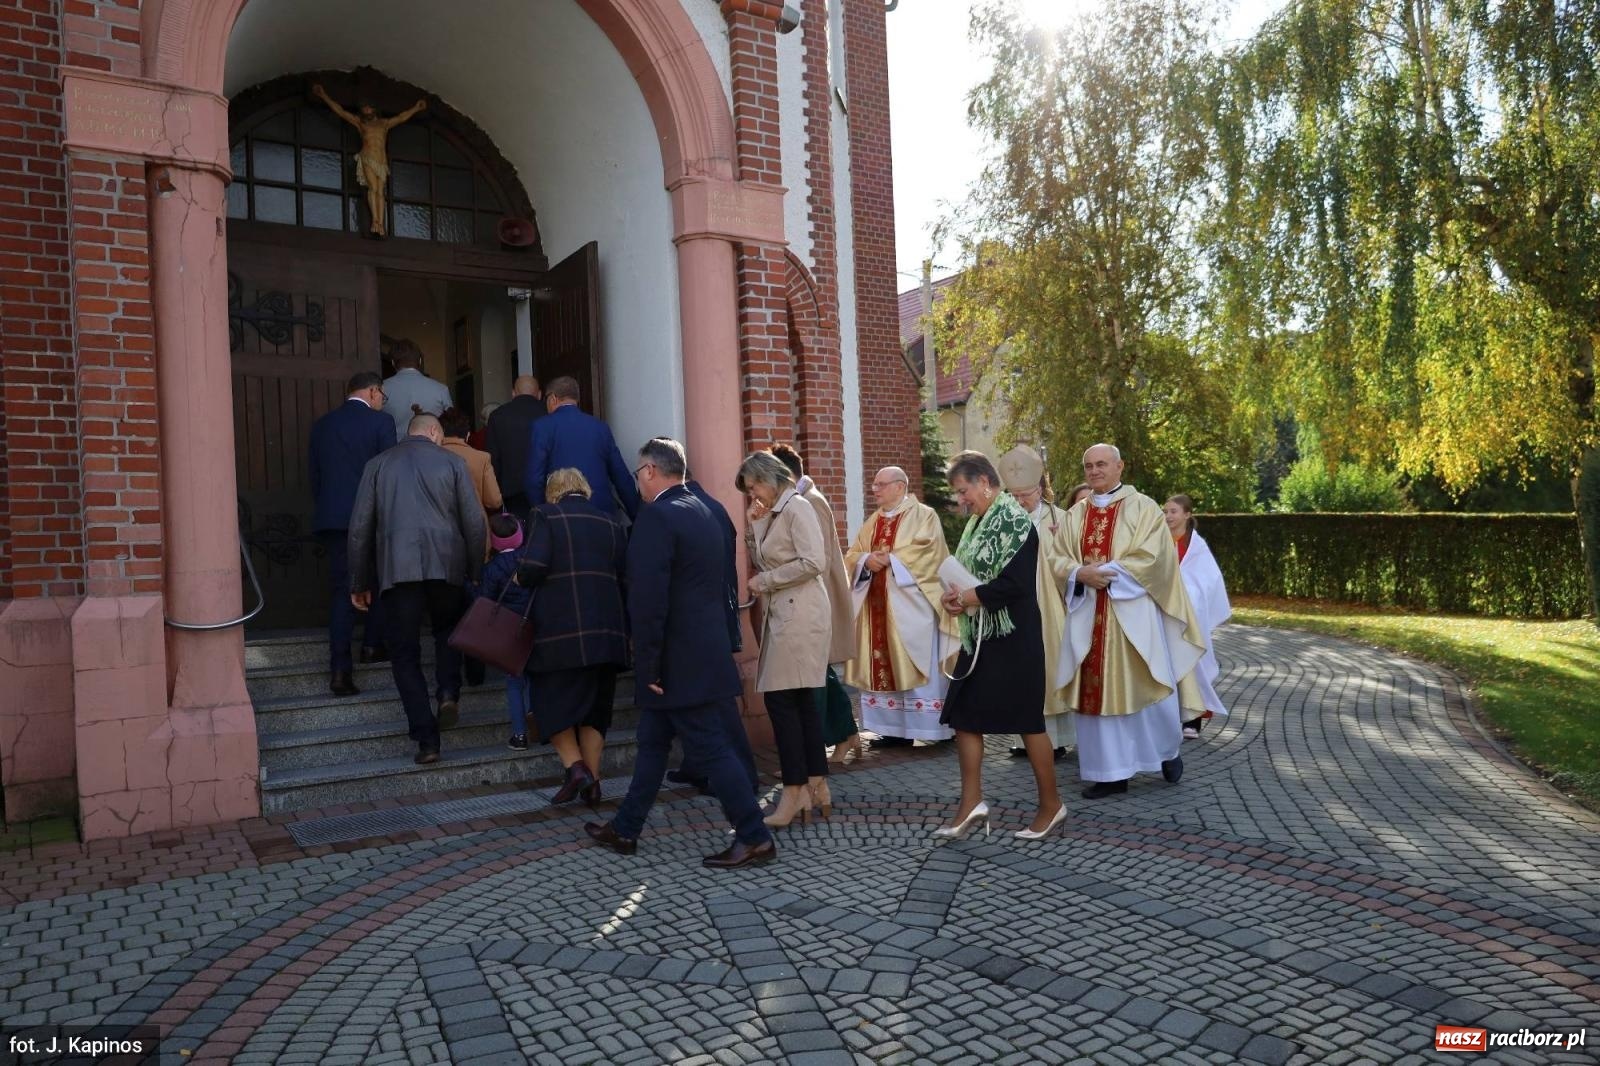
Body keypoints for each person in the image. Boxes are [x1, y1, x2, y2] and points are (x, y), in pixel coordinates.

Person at [585, 438, 776, 868]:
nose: (637, 482)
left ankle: (754, 836)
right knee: (652, 743)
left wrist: (647, 662)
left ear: (650, 471)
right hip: (703, 650)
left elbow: (648, 600)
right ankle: (626, 828)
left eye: (637, 474)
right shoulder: (709, 509)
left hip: (677, 661)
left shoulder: (658, 517)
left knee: (711, 748)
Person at [1056, 444, 1208, 798]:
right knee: (1097, 696)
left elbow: (1154, 558)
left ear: (1119, 466)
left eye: (1102, 464)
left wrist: (1102, 574)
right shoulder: (1074, 515)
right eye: (1089, 466)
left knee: (1145, 689)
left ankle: (1165, 752)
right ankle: (1110, 772)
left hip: (1132, 615)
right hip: (1087, 617)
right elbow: (1056, 557)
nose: (1094, 471)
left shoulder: (1144, 508)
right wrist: (1079, 573)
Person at [934, 452, 1065, 839]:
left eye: (963, 491)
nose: (961, 500)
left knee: (1028, 722)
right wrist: (953, 598)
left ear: (985, 483)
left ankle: (1052, 805)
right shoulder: (978, 523)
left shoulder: (1016, 523)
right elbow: (967, 575)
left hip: (1013, 639)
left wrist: (970, 597)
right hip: (981, 638)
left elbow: (1016, 586)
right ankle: (971, 803)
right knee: (963, 717)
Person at [348, 413, 487, 764]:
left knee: (404, 653)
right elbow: (474, 522)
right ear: (434, 432)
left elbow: (360, 527)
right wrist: (474, 570)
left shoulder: (377, 465)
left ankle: (427, 739)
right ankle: (447, 692)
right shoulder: (452, 462)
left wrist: (359, 581)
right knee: (448, 632)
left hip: (398, 569)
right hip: (448, 566)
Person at [516, 469, 629, 806]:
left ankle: (575, 767)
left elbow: (532, 567)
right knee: (596, 711)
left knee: (549, 703)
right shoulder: (611, 522)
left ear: (554, 492)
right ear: (585, 489)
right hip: (608, 631)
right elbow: (625, 576)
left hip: (560, 632)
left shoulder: (545, 514)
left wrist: (520, 575)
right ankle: (593, 783)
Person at [739, 451, 832, 828]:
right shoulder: (775, 512)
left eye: (754, 486)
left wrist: (766, 582)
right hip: (787, 614)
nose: (753, 495)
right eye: (748, 491)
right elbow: (765, 558)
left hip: (800, 614)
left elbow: (814, 561)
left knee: (782, 701)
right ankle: (816, 785)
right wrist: (753, 525)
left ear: (770, 477)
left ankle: (794, 791)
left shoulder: (797, 508)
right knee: (799, 701)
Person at [665, 454, 759, 795]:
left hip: (700, 622)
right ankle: (697, 765)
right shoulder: (713, 506)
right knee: (700, 701)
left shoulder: (686, 510)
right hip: (717, 616)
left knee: (718, 706)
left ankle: (742, 777)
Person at [843, 467, 956, 745]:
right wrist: (865, 560)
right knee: (884, 663)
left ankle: (933, 730)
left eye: (880, 484)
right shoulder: (872, 521)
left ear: (900, 486)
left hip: (912, 610)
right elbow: (853, 553)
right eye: (874, 484)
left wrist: (891, 560)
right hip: (877, 607)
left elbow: (929, 552)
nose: (875, 489)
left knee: (917, 663)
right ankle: (893, 731)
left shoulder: (924, 515)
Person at [770, 443, 862, 764]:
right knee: (822, 673)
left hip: (815, 602)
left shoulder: (810, 501)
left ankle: (825, 747)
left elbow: (815, 559)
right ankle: (847, 733)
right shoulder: (799, 500)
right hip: (807, 602)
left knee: (816, 677)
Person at [307, 371, 396, 696]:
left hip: (334, 519)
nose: (381, 401)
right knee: (379, 580)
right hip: (371, 518)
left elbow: (315, 478)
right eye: (382, 395)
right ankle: (370, 647)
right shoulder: (381, 423)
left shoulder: (323, 425)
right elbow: (388, 473)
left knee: (343, 592)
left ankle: (342, 668)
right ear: (373, 391)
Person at [998, 446, 1073, 761]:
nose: (1020, 502)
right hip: (1013, 607)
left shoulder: (1061, 519)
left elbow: (1072, 560)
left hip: (1049, 605)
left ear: (1040, 490)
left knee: (1049, 668)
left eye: (1025, 495)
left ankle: (1056, 741)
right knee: (1017, 671)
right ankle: (1021, 739)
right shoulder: (1002, 521)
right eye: (1014, 496)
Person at [524, 375, 640, 521]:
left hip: (560, 516)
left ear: (553, 398)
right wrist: (636, 515)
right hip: (602, 515)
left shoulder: (542, 427)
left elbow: (534, 479)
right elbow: (621, 476)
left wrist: (541, 512)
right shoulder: (600, 427)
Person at [1164, 494, 1232, 738]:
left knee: (1192, 663)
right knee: (1166, 665)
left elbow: (1209, 579)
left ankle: (1192, 719)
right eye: (1166, 511)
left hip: (1190, 614)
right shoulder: (1157, 540)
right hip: (1163, 612)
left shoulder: (1197, 546)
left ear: (1187, 514)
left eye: (1174, 511)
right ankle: (1169, 715)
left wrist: (1188, 593)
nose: (1169, 516)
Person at [476, 514, 534, 750]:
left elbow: (485, 600)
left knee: (514, 682)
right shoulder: (530, 560)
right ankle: (536, 718)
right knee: (533, 678)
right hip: (533, 623)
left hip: (509, 630)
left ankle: (519, 735)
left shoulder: (492, 568)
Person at [440, 407, 503, 550]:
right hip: (474, 530)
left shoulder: (430, 456)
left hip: (439, 531)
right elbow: (494, 501)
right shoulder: (481, 458)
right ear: (468, 435)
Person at [486, 375, 544, 521]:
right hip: (544, 490)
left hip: (510, 491)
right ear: (539, 394)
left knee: (516, 536)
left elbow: (493, 458)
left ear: (513, 393)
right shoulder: (548, 413)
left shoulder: (497, 416)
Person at [380, 340, 451, 440]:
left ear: (393, 363)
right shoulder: (441, 389)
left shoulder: (381, 389)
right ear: (420, 361)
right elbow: (451, 426)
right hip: (432, 451)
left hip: (393, 451)